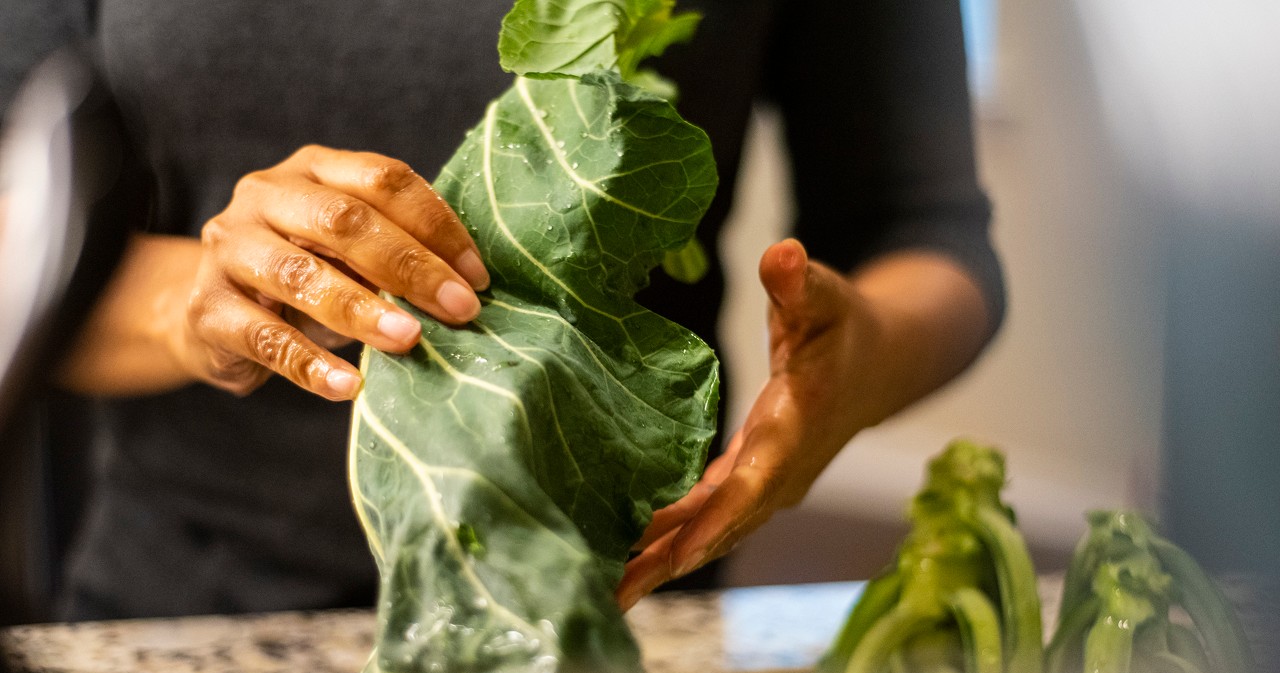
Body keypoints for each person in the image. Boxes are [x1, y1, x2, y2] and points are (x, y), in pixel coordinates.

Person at [0, 0, 1004, 620]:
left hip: (603, 630)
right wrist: (195, 300)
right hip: (183, 622)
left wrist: (855, 360)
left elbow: (927, 231)